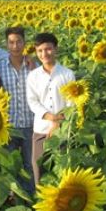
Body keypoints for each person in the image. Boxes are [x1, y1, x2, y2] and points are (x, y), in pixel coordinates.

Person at [26, 33, 75, 186]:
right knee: (39, 169)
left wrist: (57, 123)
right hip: (41, 129)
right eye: (39, 50)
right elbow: (32, 101)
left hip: (62, 130)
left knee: (61, 169)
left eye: (48, 49)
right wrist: (50, 118)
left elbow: (71, 102)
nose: (44, 54)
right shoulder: (33, 76)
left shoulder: (67, 74)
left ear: (55, 49)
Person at [0, 27, 35, 195]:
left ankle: (30, 196)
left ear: (24, 43)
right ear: (6, 45)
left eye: (19, 41)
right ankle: (13, 196)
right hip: (9, 126)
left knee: (30, 163)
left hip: (30, 123)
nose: (15, 46)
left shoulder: (34, 66)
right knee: (10, 164)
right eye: (11, 42)